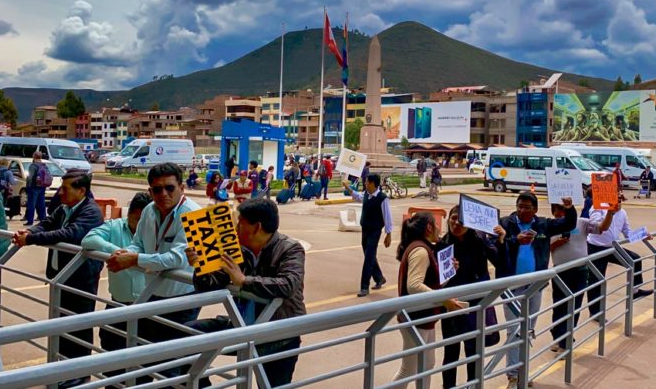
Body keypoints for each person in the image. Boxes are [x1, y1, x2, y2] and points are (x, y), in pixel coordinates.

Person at [185, 198, 306, 387]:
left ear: (257, 227)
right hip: (240, 325)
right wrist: (200, 265)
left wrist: (244, 281)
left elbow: (288, 284)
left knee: (272, 384)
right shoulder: (235, 250)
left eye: (240, 223)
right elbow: (208, 286)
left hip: (277, 335)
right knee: (187, 335)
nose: (234, 228)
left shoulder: (290, 248)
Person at [106, 162, 201, 382]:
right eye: (157, 189)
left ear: (182, 187)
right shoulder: (149, 210)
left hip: (183, 300)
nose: (163, 194)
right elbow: (138, 243)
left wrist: (134, 259)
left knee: (173, 363)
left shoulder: (194, 214)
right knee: (149, 357)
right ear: (150, 191)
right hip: (153, 295)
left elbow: (176, 258)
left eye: (170, 188)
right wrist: (126, 252)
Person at [12, 169, 104, 388]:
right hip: (62, 279)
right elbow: (47, 223)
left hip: (80, 280)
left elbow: (70, 234)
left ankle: (79, 375)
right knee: (62, 326)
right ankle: (63, 370)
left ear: (82, 190)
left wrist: (32, 238)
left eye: (66, 188)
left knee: (79, 326)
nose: (61, 192)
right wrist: (29, 232)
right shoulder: (65, 208)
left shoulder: (90, 212)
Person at [498, 192, 577, 389]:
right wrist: (514, 239)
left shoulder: (543, 225)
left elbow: (568, 224)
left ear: (535, 209)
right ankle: (514, 376)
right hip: (512, 286)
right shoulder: (505, 224)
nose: (522, 210)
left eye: (527, 207)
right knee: (514, 330)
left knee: (527, 330)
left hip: (535, 286)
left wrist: (570, 208)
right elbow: (492, 242)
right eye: (520, 206)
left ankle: (522, 371)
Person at [81, 192, 152, 386]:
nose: (139, 225)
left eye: (143, 220)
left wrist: (135, 259)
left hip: (148, 308)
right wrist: (115, 250)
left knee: (144, 362)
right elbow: (89, 240)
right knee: (112, 352)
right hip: (119, 304)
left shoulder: (155, 231)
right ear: (129, 214)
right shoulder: (115, 226)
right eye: (136, 218)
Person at [391, 212, 465, 388]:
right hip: (416, 318)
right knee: (408, 369)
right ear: (429, 228)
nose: (440, 228)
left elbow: (431, 283)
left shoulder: (422, 247)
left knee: (426, 365)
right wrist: (444, 300)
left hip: (424, 318)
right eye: (437, 224)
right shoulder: (421, 251)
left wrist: (449, 272)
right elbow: (414, 286)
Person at [439, 206, 506, 388]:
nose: (456, 223)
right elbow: (436, 279)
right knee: (451, 353)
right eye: (453, 218)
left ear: (469, 224)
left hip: (476, 306)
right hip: (452, 305)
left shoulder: (479, 241)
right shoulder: (443, 244)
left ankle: (473, 385)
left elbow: (499, 261)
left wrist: (500, 240)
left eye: (461, 221)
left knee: (473, 352)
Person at [549, 202, 613, 354]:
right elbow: (542, 246)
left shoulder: (582, 223)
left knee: (574, 306)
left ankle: (566, 342)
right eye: (557, 212)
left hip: (580, 271)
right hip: (560, 272)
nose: (560, 215)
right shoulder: (550, 226)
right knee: (559, 306)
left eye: (563, 211)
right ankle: (558, 336)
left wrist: (610, 213)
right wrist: (555, 244)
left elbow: (602, 228)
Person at [586, 195, 653, 321]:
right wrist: (610, 213)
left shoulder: (622, 212)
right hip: (596, 248)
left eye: (621, 199)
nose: (620, 202)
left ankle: (635, 291)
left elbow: (628, 232)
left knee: (635, 259)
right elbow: (598, 226)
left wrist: (642, 234)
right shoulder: (597, 208)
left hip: (613, 247)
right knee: (597, 280)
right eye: (617, 199)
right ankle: (595, 312)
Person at [343, 173, 392, 297]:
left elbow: (387, 216)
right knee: (368, 254)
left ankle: (364, 286)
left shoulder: (382, 198)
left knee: (369, 257)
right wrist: (347, 187)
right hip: (365, 229)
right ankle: (379, 277)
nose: (365, 184)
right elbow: (356, 196)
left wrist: (388, 234)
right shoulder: (366, 194)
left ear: (373, 184)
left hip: (375, 231)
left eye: (367, 182)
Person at [24, 151, 48, 226]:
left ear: (34, 156)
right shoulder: (44, 165)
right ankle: (43, 219)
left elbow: (30, 177)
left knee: (32, 204)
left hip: (34, 187)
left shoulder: (33, 166)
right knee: (41, 203)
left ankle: (30, 220)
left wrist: (28, 186)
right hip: (42, 187)